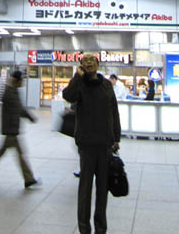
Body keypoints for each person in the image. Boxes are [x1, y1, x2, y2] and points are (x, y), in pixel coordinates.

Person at [63, 54, 121, 234]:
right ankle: (84, 229)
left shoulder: (106, 85)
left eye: (92, 60)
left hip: (105, 144)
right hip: (87, 145)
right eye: (85, 61)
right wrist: (77, 76)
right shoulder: (80, 85)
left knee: (102, 190)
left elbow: (114, 111)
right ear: (80, 65)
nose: (89, 63)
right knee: (85, 191)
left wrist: (116, 137)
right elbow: (68, 95)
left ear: (98, 63)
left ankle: (101, 228)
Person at [0, 71, 39, 188]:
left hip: (10, 128)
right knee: (20, 155)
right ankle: (28, 179)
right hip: (11, 129)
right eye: (21, 80)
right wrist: (30, 117)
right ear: (17, 81)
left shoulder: (12, 91)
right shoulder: (10, 92)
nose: (23, 82)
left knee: (2, 152)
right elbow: (19, 109)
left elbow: (18, 108)